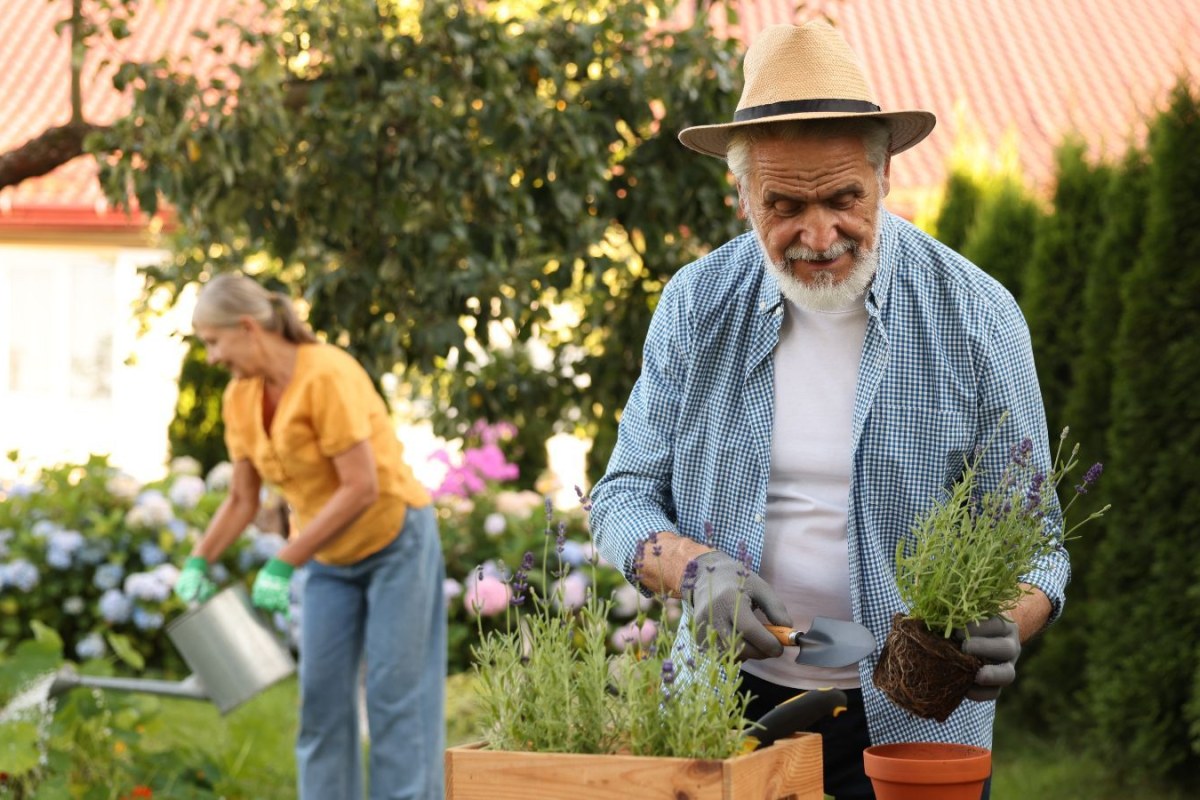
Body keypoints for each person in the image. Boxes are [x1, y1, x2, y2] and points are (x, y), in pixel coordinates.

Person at [588, 20, 1069, 800]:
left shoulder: (978, 315)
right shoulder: (694, 306)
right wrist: (691, 569)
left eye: (845, 197)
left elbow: (1038, 536)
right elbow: (622, 494)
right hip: (722, 709)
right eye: (784, 205)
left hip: (914, 725)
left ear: (885, 178)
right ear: (742, 196)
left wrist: (1011, 620)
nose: (819, 235)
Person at [173, 272, 446, 800]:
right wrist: (198, 561)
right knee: (320, 703)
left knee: (395, 699)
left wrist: (285, 560)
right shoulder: (239, 398)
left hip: (395, 542)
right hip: (327, 556)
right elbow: (242, 499)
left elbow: (361, 486)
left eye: (212, 341)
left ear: (248, 327)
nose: (210, 357)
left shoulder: (327, 375)